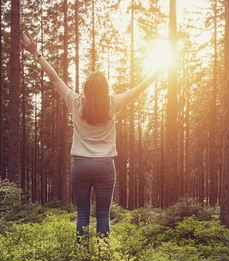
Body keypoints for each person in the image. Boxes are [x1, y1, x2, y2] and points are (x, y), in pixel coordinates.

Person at [22, 32, 163, 237]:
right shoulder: (113, 104)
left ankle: (82, 260)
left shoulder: (75, 101)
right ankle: (103, 259)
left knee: (82, 215)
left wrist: (36, 53)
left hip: (80, 165)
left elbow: (55, 78)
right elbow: (139, 89)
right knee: (103, 215)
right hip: (105, 166)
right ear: (105, 89)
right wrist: (158, 70)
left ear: (87, 88)